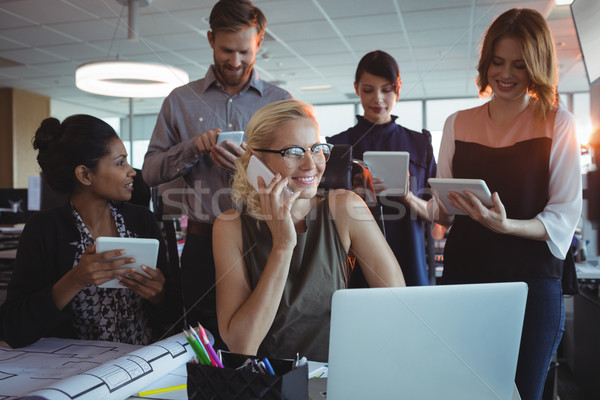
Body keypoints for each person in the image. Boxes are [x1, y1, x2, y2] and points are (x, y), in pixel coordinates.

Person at [433, 9, 581, 400]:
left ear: (537, 66)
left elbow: (563, 215)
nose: (506, 74)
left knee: (522, 392)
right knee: (463, 390)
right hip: (464, 275)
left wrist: (507, 225)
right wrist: (426, 201)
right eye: (497, 62)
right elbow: (443, 212)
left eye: (520, 64)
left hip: (531, 282)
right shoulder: (456, 123)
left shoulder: (557, 123)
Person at [141, 0, 291, 349]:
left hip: (262, 238)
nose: (235, 62)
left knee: (265, 340)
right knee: (204, 346)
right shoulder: (179, 101)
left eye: (244, 51)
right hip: (201, 243)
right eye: (226, 50)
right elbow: (149, 172)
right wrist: (193, 148)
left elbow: (297, 176)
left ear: (259, 43)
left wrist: (248, 166)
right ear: (210, 39)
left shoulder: (279, 101)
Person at [213, 99, 406, 362]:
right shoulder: (230, 226)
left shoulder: (345, 207)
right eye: (293, 152)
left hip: (338, 372)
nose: (310, 164)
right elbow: (242, 344)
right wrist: (283, 245)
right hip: (270, 382)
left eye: (316, 149)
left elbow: (399, 307)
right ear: (257, 160)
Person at [0, 115, 181, 348]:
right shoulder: (44, 229)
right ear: (85, 175)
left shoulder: (141, 220)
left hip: (140, 361)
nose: (132, 171)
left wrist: (159, 296)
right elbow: (13, 328)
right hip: (72, 371)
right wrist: (77, 278)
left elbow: (175, 314)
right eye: (120, 163)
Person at [327, 50, 437, 286]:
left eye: (386, 90)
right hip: (355, 259)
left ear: (398, 88)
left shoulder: (420, 144)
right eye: (368, 90)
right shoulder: (338, 145)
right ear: (356, 88)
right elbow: (324, 215)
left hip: (411, 255)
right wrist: (353, 197)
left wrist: (407, 196)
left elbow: (437, 214)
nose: (378, 99)